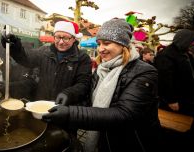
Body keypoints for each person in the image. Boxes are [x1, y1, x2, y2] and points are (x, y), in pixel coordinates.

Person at [42, 18, 161, 152]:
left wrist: (70, 114)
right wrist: (68, 96)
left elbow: (124, 114)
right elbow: (89, 100)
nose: (100, 49)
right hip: (104, 141)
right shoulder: (101, 69)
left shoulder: (145, 72)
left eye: (106, 43)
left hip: (131, 142)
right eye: (99, 44)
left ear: (123, 45)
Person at [1, 20, 92, 104]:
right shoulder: (44, 51)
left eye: (65, 38)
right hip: (42, 104)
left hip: (65, 108)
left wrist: (68, 94)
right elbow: (26, 58)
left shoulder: (82, 58)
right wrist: (14, 46)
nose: (60, 42)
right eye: (57, 37)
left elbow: (83, 84)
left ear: (73, 39)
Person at [154, 29, 194, 150]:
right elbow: (164, 79)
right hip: (175, 101)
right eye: (192, 41)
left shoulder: (184, 53)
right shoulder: (166, 55)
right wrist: (171, 100)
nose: (193, 44)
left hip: (187, 97)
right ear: (184, 40)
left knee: (186, 124)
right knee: (174, 127)